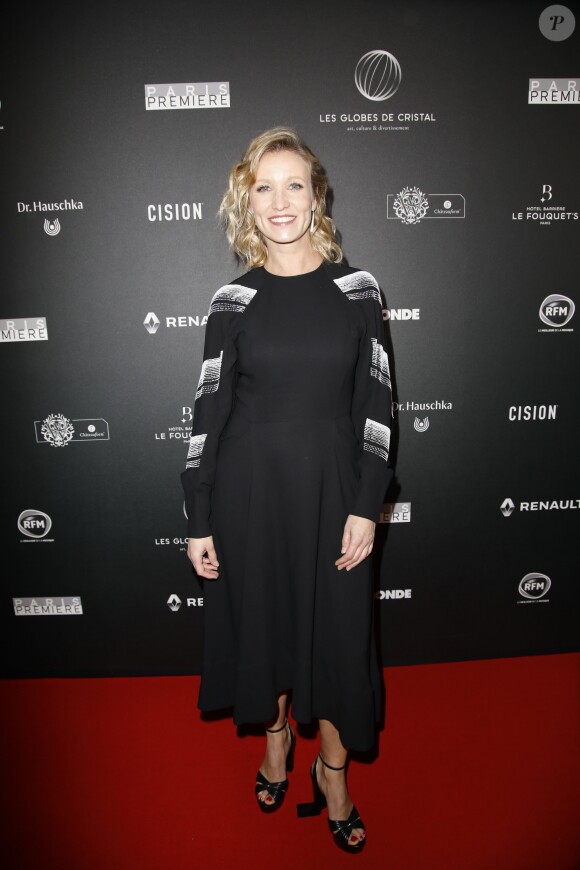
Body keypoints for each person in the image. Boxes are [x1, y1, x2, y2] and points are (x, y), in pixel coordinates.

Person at [181, 126, 393, 854]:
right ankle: (276, 748)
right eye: (263, 187)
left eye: (294, 184)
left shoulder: (358, 291)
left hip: (336, 495)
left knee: (337, 644)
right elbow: (209, 412)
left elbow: (379, 405)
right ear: (248, 199)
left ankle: (333, 776)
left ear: (317, 195)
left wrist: (368, 502)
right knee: (266, 633)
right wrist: (199, 512)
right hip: (251, 500)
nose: (280, 201)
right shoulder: (232, 299)